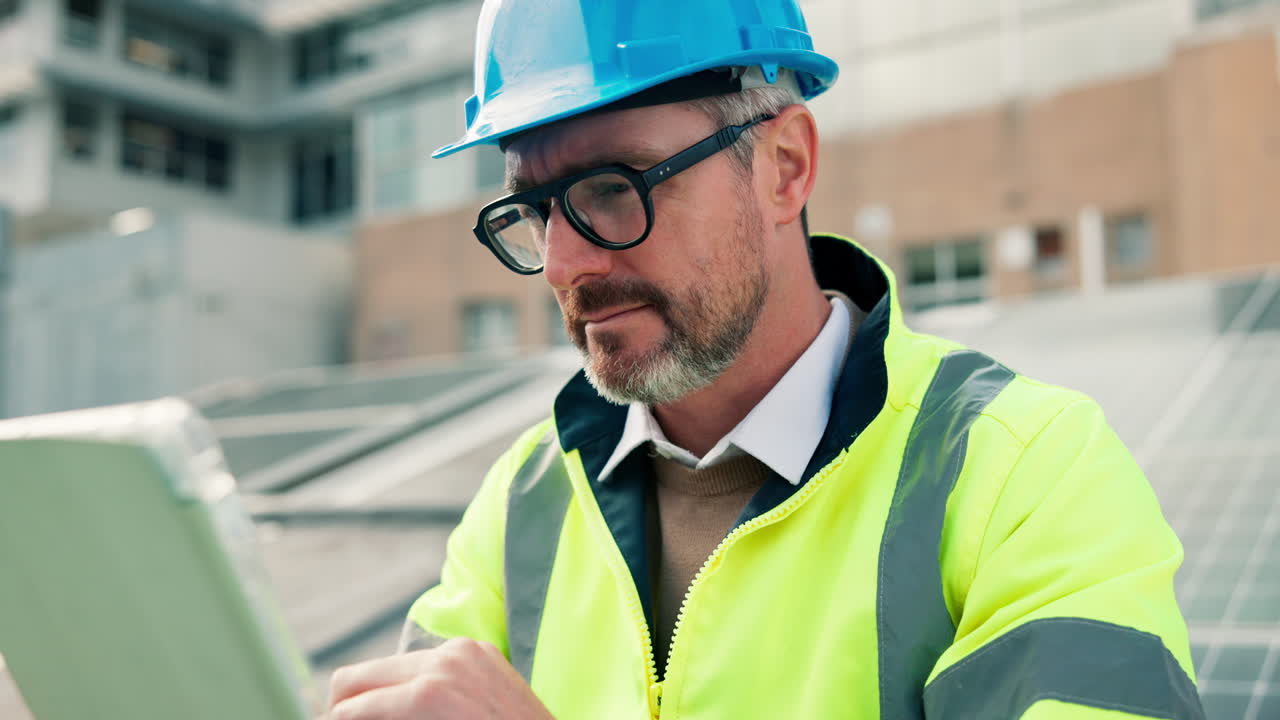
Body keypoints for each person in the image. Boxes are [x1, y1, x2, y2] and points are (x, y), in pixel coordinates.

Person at [326, 2, 1205, 718]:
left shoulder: (1023, 470)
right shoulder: (523, 502)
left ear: (784, 167)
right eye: (537, 211)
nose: (564, 265)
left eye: (611, 188)